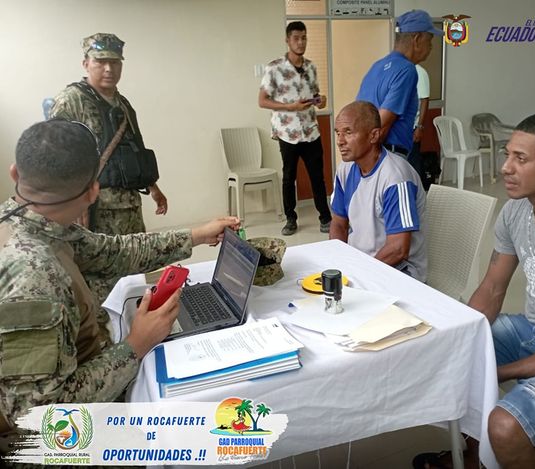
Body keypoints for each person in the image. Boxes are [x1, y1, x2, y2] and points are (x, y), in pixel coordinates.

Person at [0, 120, 240, 444]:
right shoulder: (35, 278)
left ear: (15, 173)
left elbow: (110, 252)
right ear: (93, 192)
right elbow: (40, 417)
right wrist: (136, 344)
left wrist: (196, 235)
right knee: (190, 432)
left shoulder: (29, 222)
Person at [413, 111, 535, 469]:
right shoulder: (515, 212)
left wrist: (504, 371)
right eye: (507, 155)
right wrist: (460, 339)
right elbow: (492, 290)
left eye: (521, 159)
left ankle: (494, 448)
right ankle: (474, 457)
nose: (506, 168)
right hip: (533, 329)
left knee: (504, 427)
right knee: (454, 361)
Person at [50, 33, 169, 304]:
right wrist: (70, 204)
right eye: (100, 61)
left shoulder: (123, 104)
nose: (108, 69)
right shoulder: (71, 100)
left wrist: (153, 187)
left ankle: (134, 319)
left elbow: (134, 149)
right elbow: (56, 154)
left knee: (134, 267)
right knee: (102, 279)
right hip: (95, 210)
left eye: (115, 62)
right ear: (86, 64)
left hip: (130, 207)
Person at [329, 101, 427, 282]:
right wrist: (340, 264)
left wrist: (359, 275)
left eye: (348, 132)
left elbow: (398, 250)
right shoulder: (345, 169)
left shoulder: (396, 178)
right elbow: (338, 224)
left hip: (399, 273)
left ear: (374, 135)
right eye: (338, 133)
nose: (340, 141)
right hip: (361, 264)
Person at [259, 21, 332, 236]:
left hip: (311, 131)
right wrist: (290, 107)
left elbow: (316, 97)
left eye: (304, 38)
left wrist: (321, 100)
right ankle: (291, 219)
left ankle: (325, 217)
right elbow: (262, 101)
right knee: (289, 177)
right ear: (287, 40)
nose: (301, 42)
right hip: (287, 132)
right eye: (296, 38)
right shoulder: (274, 68)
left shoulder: (311, 67)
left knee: (317, 176)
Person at [356, 10, 442, 157]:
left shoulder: (377, 66)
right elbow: (382, 124)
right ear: (417, 39)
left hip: (369, 154)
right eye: (429, 40)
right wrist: (377, 162)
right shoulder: (407, 70)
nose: (431, 47)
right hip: (387, 154)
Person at [406, 64, 430, 182]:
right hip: (398, 128)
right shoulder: (399, 69)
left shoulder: (419, 72)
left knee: (413, 163)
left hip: (412, 127)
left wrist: (419, 127)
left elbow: (424, 100)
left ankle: (417, 190)